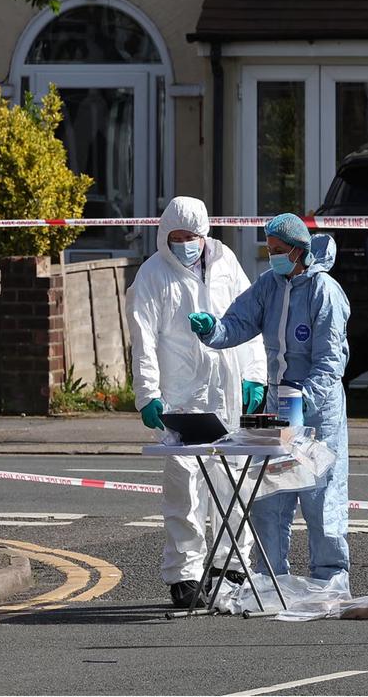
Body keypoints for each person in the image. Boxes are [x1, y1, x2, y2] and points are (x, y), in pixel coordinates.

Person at [187, 213, 351, 581]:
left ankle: (330, 581)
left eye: (279, 251)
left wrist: (305, 401)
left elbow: (330, 361)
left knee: (321, 501)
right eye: (270, 250)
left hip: (317, 414)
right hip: (278, 411)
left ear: (299, 251)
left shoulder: (325, 292)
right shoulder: (270, 284)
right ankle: (269, 581)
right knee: (271, 499)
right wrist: (213, 330)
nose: (273, 256)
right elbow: (239, 323)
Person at [126, 196, 267, 608]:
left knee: (232, 482)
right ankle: (185, 575)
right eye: (177, 237)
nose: (186, 244)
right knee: (184, 487)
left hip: (227, 393)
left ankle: (232, 567)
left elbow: (250, 321)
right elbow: (144, 341)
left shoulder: (227, 266)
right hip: (180, 399)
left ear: (205, 235)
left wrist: (254, 376)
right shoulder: (152, 276)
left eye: (192, 236)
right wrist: (147, 394)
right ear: (163, 235)